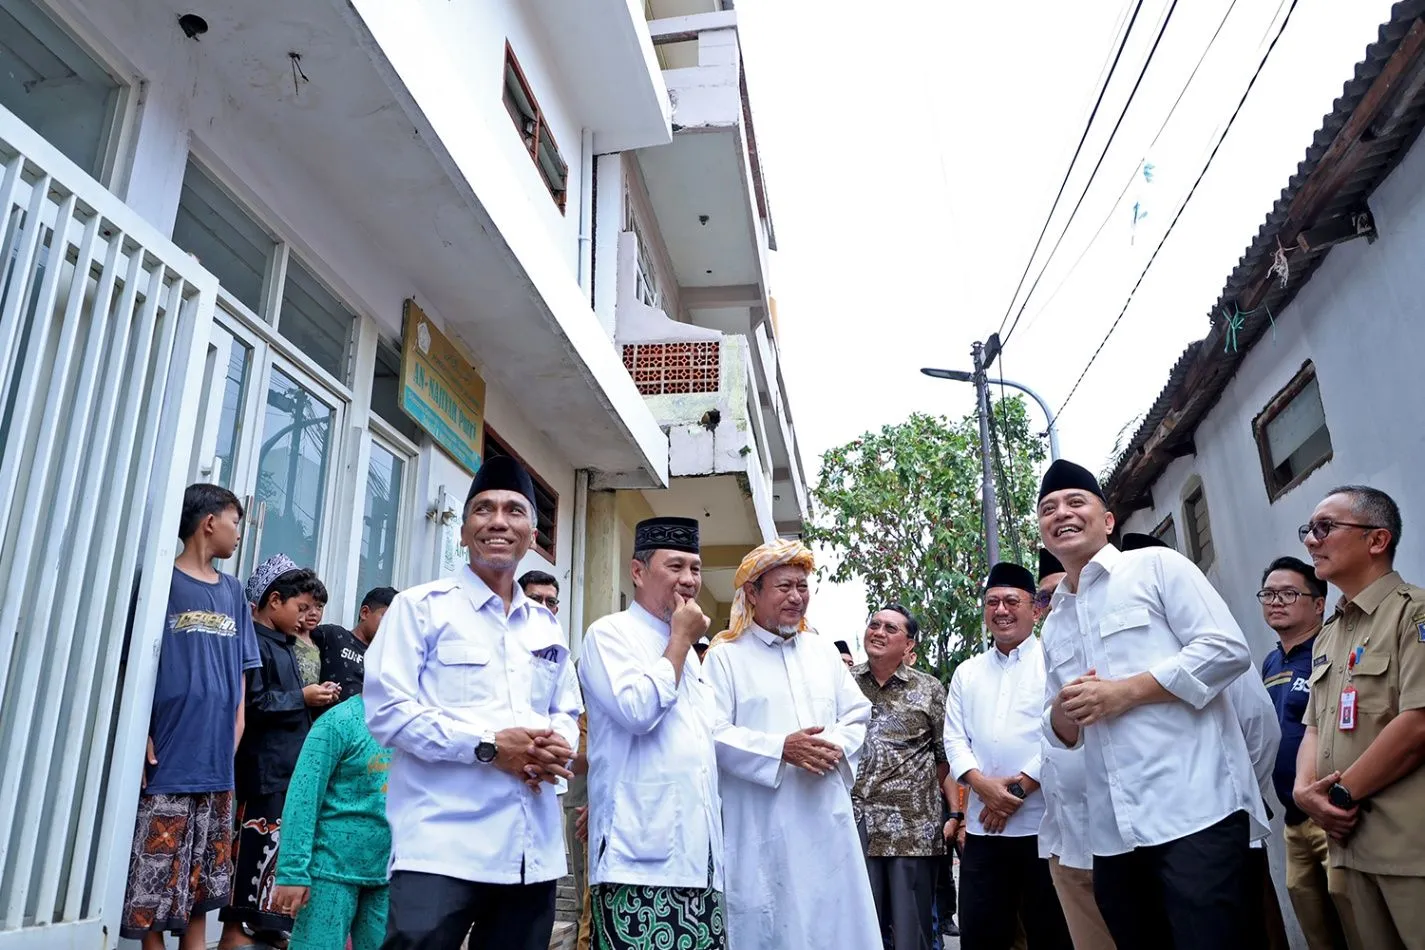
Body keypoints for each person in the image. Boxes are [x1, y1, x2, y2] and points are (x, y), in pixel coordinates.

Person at [1037, 459, 1266, 950]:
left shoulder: (1157, 568)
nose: (1062, 513)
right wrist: (1061, 716)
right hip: (1113, 833)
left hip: (1193, 812)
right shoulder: (1053, 622)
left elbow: (1226, 650)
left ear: (1107, 520)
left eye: (1076, 502)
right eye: (1048, 508)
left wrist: (1126, 692)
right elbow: (1066, 734)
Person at [365, 455, 581, 950]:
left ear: (530, 536)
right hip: (441, 847)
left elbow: (565, 710)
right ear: (463, 532)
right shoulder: (421, 608)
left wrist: (556, 746)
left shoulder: (545, 625)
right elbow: (387, 711)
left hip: (531, 849)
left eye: (514, 511)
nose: (499, 521)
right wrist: (486, 746)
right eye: (484, 510)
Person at [703, 539, 880, 949]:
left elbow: (858, 714)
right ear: (752, 592)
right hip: (760, 823)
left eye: (802, 587)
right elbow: (709, 731)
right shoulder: (725, 657)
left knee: (831, 922)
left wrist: (831, 745)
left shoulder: (821, 651)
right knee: (770, 922)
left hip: (824, 819)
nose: (796, 597)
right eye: (784, 587)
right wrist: (780, 749)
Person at [1118, 533, 1287, 949]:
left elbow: (1261, 729)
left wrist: (1230, 792)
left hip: (1224, 825)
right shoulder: (1138, 655)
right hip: (1162, 834)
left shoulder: (1209, 647)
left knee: (1250, 931)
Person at [120, 485, 261, 950]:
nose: (239, 532)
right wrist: (137, 728)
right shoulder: (161, 581)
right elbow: (134, 663)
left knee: (200, 889)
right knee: (155, 885)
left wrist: (237, 722)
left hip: (217, 760)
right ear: (209, 523)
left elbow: (243, 668)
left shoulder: (234, 591)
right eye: (235, 521)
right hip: (169, 754)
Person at [579, 516, 725, 949]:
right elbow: (638, 712)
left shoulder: (691, 655)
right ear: (638, 572)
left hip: (701, 859)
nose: (689, 580)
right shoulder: (609, 634)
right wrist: (680, 640)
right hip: (636, 859)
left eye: (695, 569)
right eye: (675, 566)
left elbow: (701, 745)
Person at [1294, 486, 1425, 950]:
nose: (1311, 540)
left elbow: (1418, 723)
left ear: (1377, 540)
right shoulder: (1329, 635)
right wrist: (1303, 792)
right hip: (1348, 849)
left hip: (1408, 848)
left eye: (1325, 527)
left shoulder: (1414, 614)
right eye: (1309, 530)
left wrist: (1342, 797)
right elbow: (1314, 724)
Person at [944, 562, 1071, 950]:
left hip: (1044, 827)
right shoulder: (968, 672)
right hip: (984, 834)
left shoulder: (1055, 660)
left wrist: (1015, 791)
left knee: (1050, 933)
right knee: (983, 933)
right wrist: (983, 786)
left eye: (1012, 601)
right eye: (993, 601)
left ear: (1035, 609)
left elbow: (1064, 731)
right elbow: (954, 739)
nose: (1001, 610)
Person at [220, 559, 335, 949]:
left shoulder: (284, 645)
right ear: (273, 601)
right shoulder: (254, 643)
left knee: (274, 858)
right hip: (262, 769)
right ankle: (235, 934)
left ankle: (268, 931)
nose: (307, 618)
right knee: (252, 856)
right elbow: (253, 703)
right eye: (300, 608)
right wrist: (300, 697)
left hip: (286, 769)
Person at [1258, 555, 1353, 950]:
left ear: (1318, 604)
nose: (1276, 601)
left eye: (1289, 593)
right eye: (1269, 594)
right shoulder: (1269, 662)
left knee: (1357, 926)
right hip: (1293, 823)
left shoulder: (1332, 651)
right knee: (1317, 933)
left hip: (1336, 816)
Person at [850, 605, 949, 950]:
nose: (878, 632)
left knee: (912, 934)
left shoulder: (929, 689)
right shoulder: (844, 684)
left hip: (912, 832)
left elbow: (943, 757)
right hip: (854, 828)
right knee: (859, 928)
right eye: (874, 624)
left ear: (909, 644)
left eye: (890, 628)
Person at [1032, 549, 1114, 950]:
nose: (1056, 605)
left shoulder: (1111, 642)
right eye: (1046, 598)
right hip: (1063, 840)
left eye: (1061, 594)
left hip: (1118, 839)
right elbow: (1047, 736)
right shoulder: (1050, 645)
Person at [271, 693, 393, 950]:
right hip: (329, 873)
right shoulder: (338, 722)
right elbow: (302, 799)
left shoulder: (413, 728)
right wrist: (292, 872)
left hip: (389, 874)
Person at [311, 586, 397, 709]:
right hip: (323, 722)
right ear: (365, 613)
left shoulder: (386, 661)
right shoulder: (334, 635)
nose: (391, 625)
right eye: (387, 618)